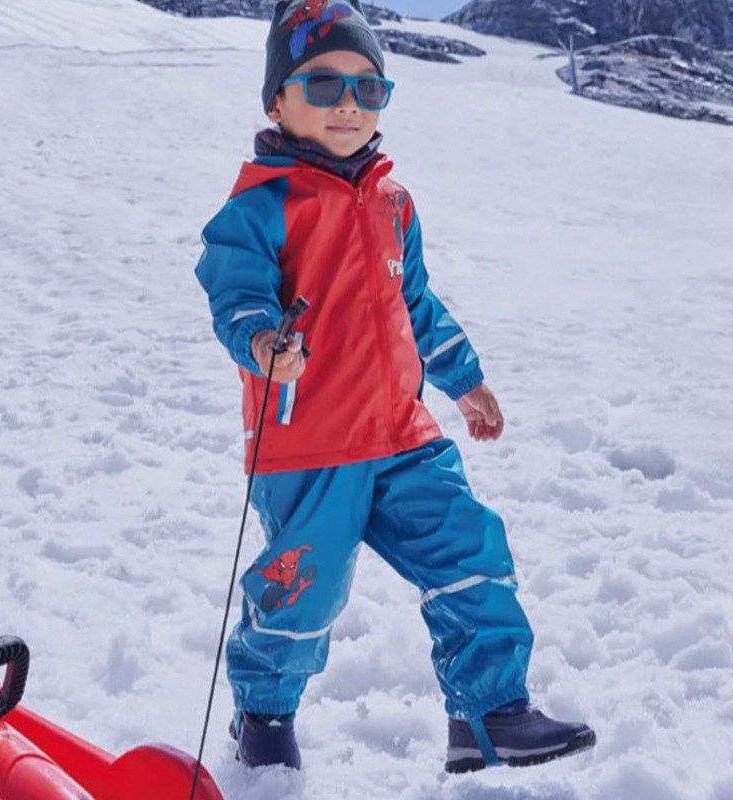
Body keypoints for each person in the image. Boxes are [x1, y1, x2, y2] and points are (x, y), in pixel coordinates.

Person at [195, 0, 596, 773]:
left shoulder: (392, 202)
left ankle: (487, 716)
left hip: (402, 433)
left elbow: (414, 303)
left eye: (368, 88)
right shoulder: (259, 207)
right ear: (277, 99)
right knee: (303, 594)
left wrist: (465, 380)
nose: (348, 104)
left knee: (469, 548)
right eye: (323, 85)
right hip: (310, 443)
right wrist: (260, 340)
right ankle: (265, 714)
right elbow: (233, 291)